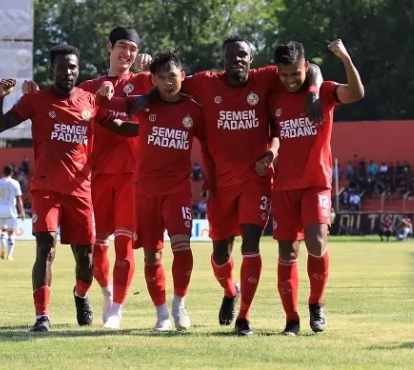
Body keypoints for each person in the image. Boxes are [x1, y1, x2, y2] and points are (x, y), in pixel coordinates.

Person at [137, 35, 324, 336]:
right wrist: (144, 83)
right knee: (221, 254)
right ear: (222, 60)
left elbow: (311, 67)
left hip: (256, 180)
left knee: (251, 245)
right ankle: (229, 290)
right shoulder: (206, 83)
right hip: (221, 185)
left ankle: (245, 318)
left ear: (252, 58)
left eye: (242, 55)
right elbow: (168, 84)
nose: (236, 60)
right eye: (230, 57)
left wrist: (312, 92)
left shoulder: (265, 79)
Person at [0, 44, 128, 332]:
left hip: (80, 191)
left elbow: (116, 124)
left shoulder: (89, 100)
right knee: (45, 248)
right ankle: (42, 316)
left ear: (78, 70)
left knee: (85, 257)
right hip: (46, 189)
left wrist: (152, 122)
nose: (68, 72)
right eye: (62, 67)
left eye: (73, 67)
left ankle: (81, 294)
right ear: (52, 70)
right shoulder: (36, 101)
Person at [21, 28, 153, 325]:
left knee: (125, 244)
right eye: (122, 46)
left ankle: (117, 308)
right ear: (109, 47)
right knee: (94, 250)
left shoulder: (144, 79)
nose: (127, 53)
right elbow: (60, 102)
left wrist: (152, 67)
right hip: (93, 177)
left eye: (133, 48)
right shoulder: (88, 87)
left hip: (132, 175)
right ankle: (104, 293)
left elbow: (172, 86)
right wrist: (33, 95)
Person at [99, 51, 209, 331]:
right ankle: (161, 315)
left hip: (178, 191)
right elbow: (122, 118)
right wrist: (102, 106)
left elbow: (210, 144)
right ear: (154, 81)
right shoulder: (144, 106)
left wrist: (210, 177)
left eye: (172, 76)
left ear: (182, 76)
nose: (168, 83)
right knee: (152, 255)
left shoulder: (194, 110)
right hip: (145, 191)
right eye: (161, 78)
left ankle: (179, 304)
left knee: (182, 246)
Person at [261, 39, 364, 336]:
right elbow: (275, 135)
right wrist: (271, 153)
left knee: (317, 243)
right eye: (284, 75)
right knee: (286, 252)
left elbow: (357, 93)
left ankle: (316, 303)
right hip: (283, 187)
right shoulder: (275, 99)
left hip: (317, 184)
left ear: (306, 67)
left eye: (296, 73)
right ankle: (291, 320)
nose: (290, 80)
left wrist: (345, 56)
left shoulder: (325, 92)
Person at [0, 164, 25, 261]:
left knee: (3, 231)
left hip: (0, 209)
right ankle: (9, 255)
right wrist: (22, 212)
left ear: (3, 172)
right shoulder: (15, 183)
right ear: (12, 173)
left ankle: (2, 246)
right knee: (11, 233)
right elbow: (19, 199)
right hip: (10, 209)